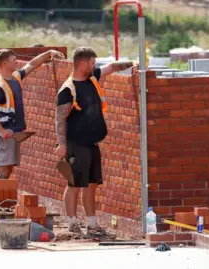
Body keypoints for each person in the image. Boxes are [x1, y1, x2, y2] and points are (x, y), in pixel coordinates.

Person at [54, 46, 137, 237]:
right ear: (82, 63)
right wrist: (62, 144)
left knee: (91, 184)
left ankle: (92, 224)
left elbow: (112, 67)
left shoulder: (93, 78)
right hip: (76, 143)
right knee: (74, 184)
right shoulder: (68, 89)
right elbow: (60, 119)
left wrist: (131, 63)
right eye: (92, 62)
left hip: (92, 143)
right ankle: (73, 223)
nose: (95, 65)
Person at [0, 48, 64, 179]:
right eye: (13, 60)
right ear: (5, 63)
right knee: (4, 170)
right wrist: (1, 131)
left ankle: (1, 196)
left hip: (12, 132)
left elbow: (32, 64)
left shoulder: (15, 77)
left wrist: (49, 53)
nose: (17, 62)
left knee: (8, 169)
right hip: (5, 133)